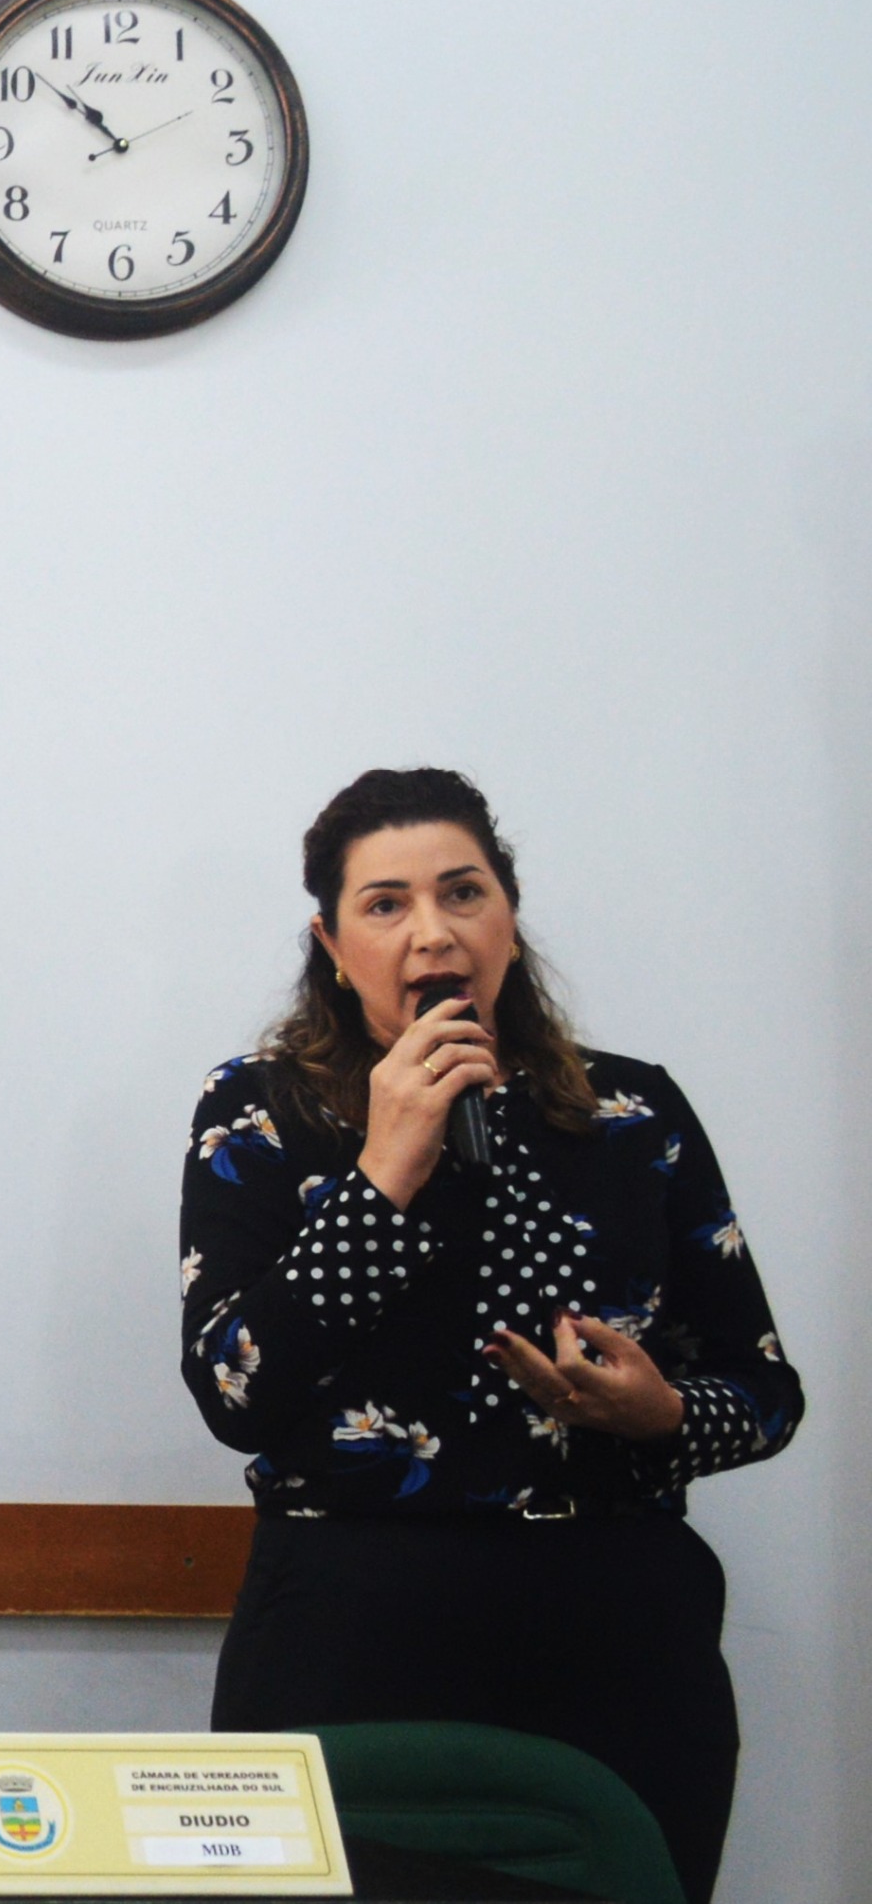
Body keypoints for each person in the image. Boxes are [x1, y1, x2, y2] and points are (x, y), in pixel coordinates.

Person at [183, 769, 799, 1902]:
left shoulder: (632, 1113)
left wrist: (660, 1414)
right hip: (351, 1626)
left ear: (508, 916)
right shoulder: (261, 1109)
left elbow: (764, 1392)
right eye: (385, 904)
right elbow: (233, 1391)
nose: (432, 931)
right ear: (331, 944)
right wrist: (384, 1168)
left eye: (461, 892)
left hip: (612, 1628)